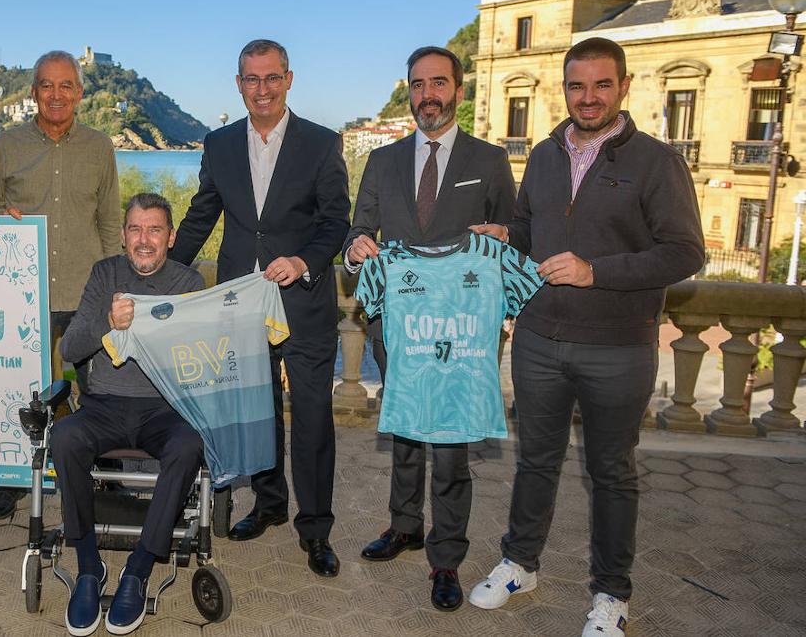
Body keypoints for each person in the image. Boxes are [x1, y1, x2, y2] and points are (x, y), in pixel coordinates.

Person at [467, 37, 704, 636]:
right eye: (578, 85)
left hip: (619, 347)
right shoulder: (545, 155)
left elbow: (684, 252)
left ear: (624, 87)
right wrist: (505, 234)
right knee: (536, 463)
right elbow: (528, 228)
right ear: (564, 89)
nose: (589, 96)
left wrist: (597, 272)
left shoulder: (656, 161)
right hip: (539, 340)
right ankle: (520, 564)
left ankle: (611, 596)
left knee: (612, 473)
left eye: (602, 85)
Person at [170, 39, 350, 577]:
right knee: (258, 410)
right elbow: (201, 215)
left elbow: (334, 220)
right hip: (239, 304)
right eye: (252, 79)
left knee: (314, 417)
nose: (263, 89)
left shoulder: (321, 144)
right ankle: (269, 505)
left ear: (289, 79)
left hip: (303, 301)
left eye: (272, 78)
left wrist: (305, 260)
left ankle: (315, 528)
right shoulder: (219, 144)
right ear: (239, 84)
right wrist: (161, 273)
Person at [344, 46, 515, 611]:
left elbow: (517, 235)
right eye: (417, 85)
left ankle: (446, 557)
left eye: (437, 83)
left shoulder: (489, 161)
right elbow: (356, 232)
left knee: (450, 449)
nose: (427, 95)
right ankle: (403, 527)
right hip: (398, 328)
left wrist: (505, 235)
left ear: (458, 90)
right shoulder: (383, 161)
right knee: (405, 433)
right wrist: (356, 247)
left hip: (461, 333)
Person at [0, 49, 121, 519]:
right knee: (27, 391)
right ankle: (20, 476)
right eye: (46, 85)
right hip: (25, 292)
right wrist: (2, 217)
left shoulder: (100, 147)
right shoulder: (6, 145)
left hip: (86, 293)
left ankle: (104, 474)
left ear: (80, 93)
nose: (56, 94)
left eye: (66, 86)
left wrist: (114, 286)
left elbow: (109, 221)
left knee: (96, 389)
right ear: (33, 92)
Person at [54, 193, 205, 636]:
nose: (144, 240)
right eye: (136, 229)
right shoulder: (105, 274)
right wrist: (108, 322)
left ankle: (137, 569)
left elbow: (201, 356)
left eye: (154, 230)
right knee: (63, 438)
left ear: (171, 237)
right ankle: (88, 567)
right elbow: (70, 348)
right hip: (104, 405)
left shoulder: (189, 283)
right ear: (123, 235)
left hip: (165, 409)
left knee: (189, 445)